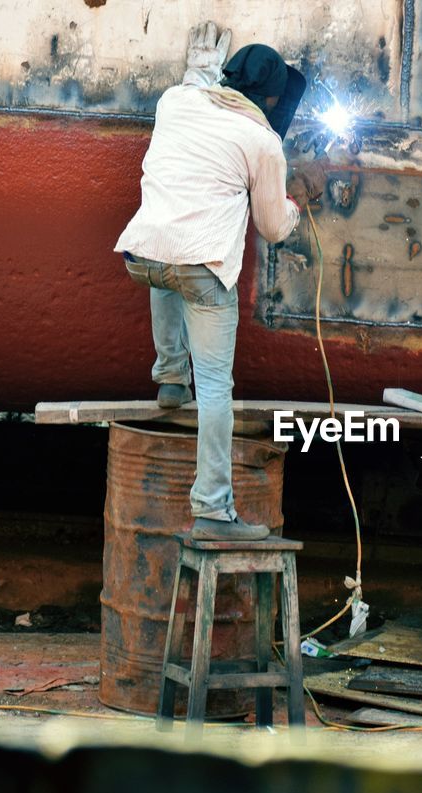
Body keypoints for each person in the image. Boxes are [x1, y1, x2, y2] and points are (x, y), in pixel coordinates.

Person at [115, 23, 327, 541]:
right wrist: (299, 201)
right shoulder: (261, 142)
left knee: (167, 259)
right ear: (274, 98)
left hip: (140, 254)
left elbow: (196, 84)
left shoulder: (175, 101)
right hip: (201, 270)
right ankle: (212, 508)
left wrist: (202, 68)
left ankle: (168, 375)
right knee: (215, 388)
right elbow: (273, 228)